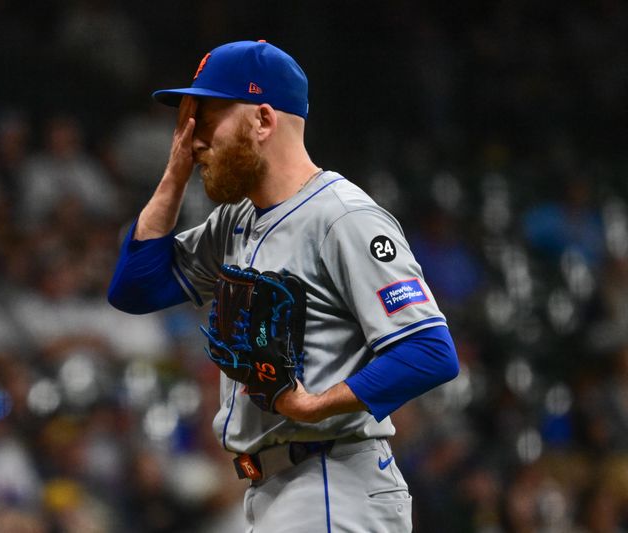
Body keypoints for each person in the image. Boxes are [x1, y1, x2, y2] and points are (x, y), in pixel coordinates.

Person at [108, 40, 459, 532]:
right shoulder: (235, 220)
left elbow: (429, 351)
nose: (192, 138)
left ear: (263, 121)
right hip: (275, 490)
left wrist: (314, 404)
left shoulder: (343, 218)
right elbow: (134, 289)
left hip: (334, 483)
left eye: (205, 118)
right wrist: (174, 175)